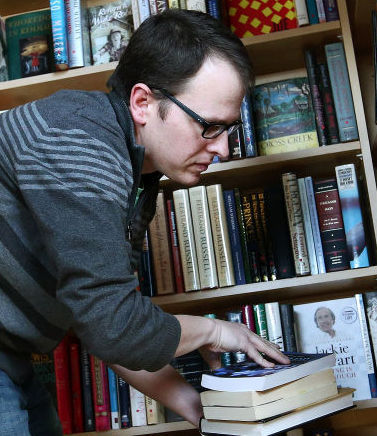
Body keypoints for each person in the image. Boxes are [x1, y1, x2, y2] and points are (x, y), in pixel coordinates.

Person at [0, 9, 290, 435]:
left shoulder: (138, 175)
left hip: (15, 360)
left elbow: (100, 319)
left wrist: (197, 406)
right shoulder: (77, 140)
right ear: (142, 102)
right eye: (210, 126)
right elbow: (115, 325)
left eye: (230, 130)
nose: (224, 149)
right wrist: (213, 332)